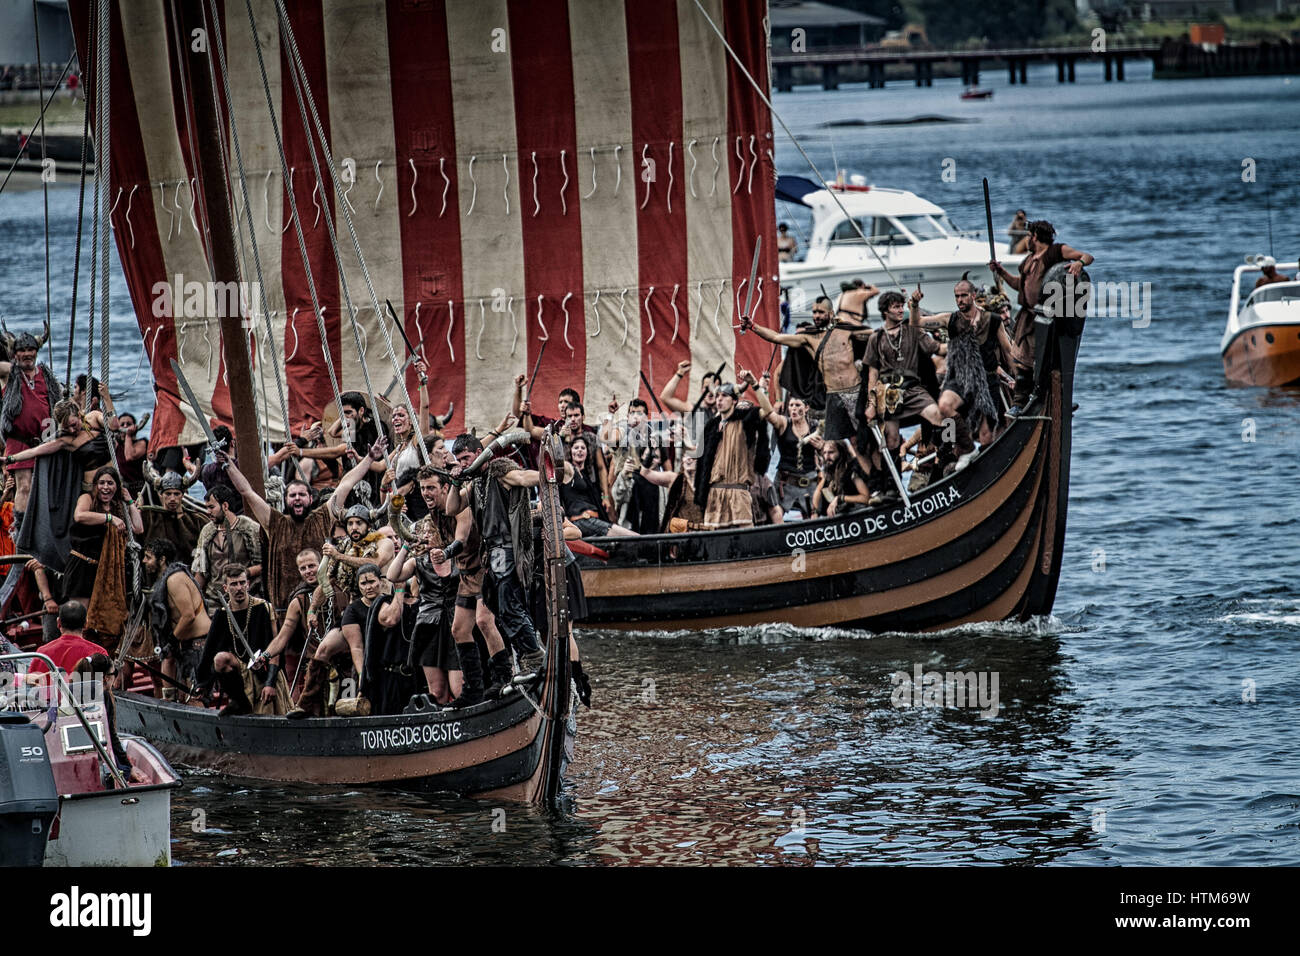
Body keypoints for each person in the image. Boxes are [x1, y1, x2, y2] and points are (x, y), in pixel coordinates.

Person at [445, 434, 567, 678]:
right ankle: (528, 655)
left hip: (507, 550)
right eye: (460, 460)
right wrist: (456, 482)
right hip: (491, 554)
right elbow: (451, 508)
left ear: (479, 452)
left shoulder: (500, 472)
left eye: (467, 458)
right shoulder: (476, 481)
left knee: (508, 605)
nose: (464, 463)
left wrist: (549, 475)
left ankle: (534, 656)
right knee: (499, 606)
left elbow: (523, 477)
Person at [223, 436, 385, 615]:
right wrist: (228, 465)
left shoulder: (322, 516)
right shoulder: (275, 522)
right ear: (286, 500)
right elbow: (247, 492)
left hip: (323, 606)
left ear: (310, 498)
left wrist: (369, 458)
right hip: (284, 608)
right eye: (292, 495)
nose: (297, 498)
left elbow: (346, 483)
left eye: (302, 494)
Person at [417, 464, 513, 701]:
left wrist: (446, 553)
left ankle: (504, 678)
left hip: (484, 570)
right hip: (466, 575)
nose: (426, 493)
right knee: (459, 630)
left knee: (484, 621)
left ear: (445, 488)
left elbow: (461, 536)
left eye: (431, 488)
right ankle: (473, 689)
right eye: (422, 488)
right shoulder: (434, 512)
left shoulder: (460, 505)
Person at [989, 219, 1093, 413]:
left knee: (1049, 362)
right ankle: (1019, 405)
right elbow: (1019, 285)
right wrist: (1001, 272)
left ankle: (1059, 400)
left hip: (1048, 318)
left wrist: (1079, 263)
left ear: (1035, 236)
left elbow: (1088, 256)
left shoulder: (1056, 251)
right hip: (1029, 318)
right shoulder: (1030, 260)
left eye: (1029, 236)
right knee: (1024, 365)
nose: (1027, 240)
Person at [740, 295, 870, 443]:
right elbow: (776, 337)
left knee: (864, 438)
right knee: (839, 443)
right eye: (814, 312)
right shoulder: (809, 338)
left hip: (856, 392)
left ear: (831, 313)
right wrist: (753, 326)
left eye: (821, 312)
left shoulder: (845, 331)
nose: (817, 315)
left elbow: (876, 335)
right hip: (832, 396)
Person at [860, 291, 945, 501]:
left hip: (913, 388)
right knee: (891, 439)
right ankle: (893, 490)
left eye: (901, 306)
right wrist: (871, 404)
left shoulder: (911, 331)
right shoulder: (876, 337)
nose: (900, 310)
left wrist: (959, 343)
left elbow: (936, 348)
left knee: (940, 416)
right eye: (896, 307)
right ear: (885, 310)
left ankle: (946, 463)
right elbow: (872, 374)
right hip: (888, 393)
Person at [913, 279, 1015, 451]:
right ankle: (967, 449)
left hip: (987, 380)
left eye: (964, 296)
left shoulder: (993, 320)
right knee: (945, 405)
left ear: (973, 296)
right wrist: (915, 305)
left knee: (986, 435)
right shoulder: (950, 319)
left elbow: (1008, 350)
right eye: (957, 296)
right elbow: (918, 323)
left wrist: (1016, 377)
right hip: (960, 379)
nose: (960, 300)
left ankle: (986, 462)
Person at [287, 563, 386, 719]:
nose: (368, 587)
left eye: (371, 582)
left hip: (384, 618)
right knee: (324, 649)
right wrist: (312, 609)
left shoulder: (381, 543)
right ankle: (307, 703)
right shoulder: (341, 549)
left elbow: (379, 560)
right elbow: (325, 581)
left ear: (380, 581)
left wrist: (339, 556)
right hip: (354, 614)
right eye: (364, 583)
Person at [387, 520, 463, 707]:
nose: (427, 536)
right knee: (437, 691)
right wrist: (406, 546)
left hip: (456, 624)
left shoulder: (457, 558)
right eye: (424, 532)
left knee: (459, 687)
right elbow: (392, 575)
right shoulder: (418, 562)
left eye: (432, 531)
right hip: (429, 626)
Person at [196, 565, 282, 716]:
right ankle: (239, 702)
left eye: (242, 583)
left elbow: (277, 647)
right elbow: (210, 650)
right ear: (225, 588)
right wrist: (203, 683)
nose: (239, 588)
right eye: (234, 584)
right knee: (220, 659)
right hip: (240, 671)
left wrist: (270, 683)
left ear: (248, 584)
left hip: (264, 670)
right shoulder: (222, 614)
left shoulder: (263, 607)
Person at [693, 371, 775, 529]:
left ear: (735, 401)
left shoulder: (747, 421)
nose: (719, 399)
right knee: (715, 545)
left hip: (738, 493)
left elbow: (768, 410)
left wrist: (755, 384)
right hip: (715, 494)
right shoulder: (711, 427)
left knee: (745, 543)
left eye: (724, 396)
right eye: (717, 396)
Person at [1, 331, 62, 536]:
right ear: (14, 354)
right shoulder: (11, 373)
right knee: (24, 485)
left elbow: (57, 403)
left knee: (46, 486)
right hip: (19, 439)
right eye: (22, 350)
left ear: (36, 352)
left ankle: (44, 529)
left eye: (30, 349)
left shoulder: (46, 375)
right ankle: (20, 531)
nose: (27, 353)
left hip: (45, 439)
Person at [64, 465, 143, 609]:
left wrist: (130, 501)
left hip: (107, 571)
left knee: (103, 617)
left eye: (110, 483)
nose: (105, 487)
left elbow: (138, 528)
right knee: (80, 613)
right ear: (95, 485)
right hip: (82, 567)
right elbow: (79, 515)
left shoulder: (118, 505)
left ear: (117, 487)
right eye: (102, 483)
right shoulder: (87, 498)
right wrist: (109, 518)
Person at [141, 538, 210, 697]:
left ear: (162, 559)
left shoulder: (175, 579)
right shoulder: (164, 580)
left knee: (194, 699)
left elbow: (188, 616)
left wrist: (171, 642)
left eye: (148, 557)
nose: (144, 561)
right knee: (179, 696)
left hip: (197, 646)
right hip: (183, 646)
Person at [258, 548, 323, 697]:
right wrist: (265, 656)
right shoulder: (298, 600)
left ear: (321, 565)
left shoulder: (339, 589)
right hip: (313, 662)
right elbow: (282, 637)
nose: (308, 571)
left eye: (312, 566)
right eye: (303, 568)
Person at [192, 484, 262, 612]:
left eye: (211, 507)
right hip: (215, 601)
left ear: (225, 506)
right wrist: (193, 600)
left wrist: (244, 573)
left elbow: (264, 565)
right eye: (207, 507)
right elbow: (201, 571)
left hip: (245, 598)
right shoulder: (206, 532)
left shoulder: (249, 529)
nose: (208, 512)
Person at [561, 435, 637, 538]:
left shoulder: (587, 475)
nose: (579, 450)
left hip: (594, 521)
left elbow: (602, 471)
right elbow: (558, 463)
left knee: (623, 543)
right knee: (632, 537)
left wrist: (605, 498)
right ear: (570, 451)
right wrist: (560, 438)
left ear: (587, 452)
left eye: (582, 448)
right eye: (576, 448)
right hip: (582, 520)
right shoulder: (569, 470)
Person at [768, 395, 823, 515]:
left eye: (797, 405)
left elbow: (826, 453)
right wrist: (759, 388)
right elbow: (768, 413)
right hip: (785, 482)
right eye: (791, 405)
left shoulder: (815, 426)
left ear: (806, 408)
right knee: (775, 514)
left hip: (809, 482)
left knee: (813, 517)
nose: (793, 408)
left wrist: (820, 448)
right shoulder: (784, 423)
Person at [25, 601, 108, 676]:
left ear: (58, 623)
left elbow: (33, 683)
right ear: (86, 624)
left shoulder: (42, 653)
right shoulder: (99, 653)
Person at [139, 471, 206, 558]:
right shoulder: (149, 517)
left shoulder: (197, 520)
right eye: (168, 493)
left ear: (183, 494)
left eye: (176, 494)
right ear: (161, 494)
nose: (172, 498)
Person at [813, 439, 870, 516]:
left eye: (831, 452)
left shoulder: (852, 469)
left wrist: (840, 498)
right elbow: (818, 490)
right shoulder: (830, 471)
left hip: (858, 514)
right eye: (825, 453)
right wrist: (815, 512)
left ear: (841, 452)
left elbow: (866, 498)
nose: (827, 456)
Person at [113, 413, 148, 497]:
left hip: (142, 490)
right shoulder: (117, 445)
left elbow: (130, 457)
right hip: (124, 490)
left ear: (134, 427)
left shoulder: (142, 443)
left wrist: (128, 435)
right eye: (122, 424)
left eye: (128, 424)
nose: (125, 426)